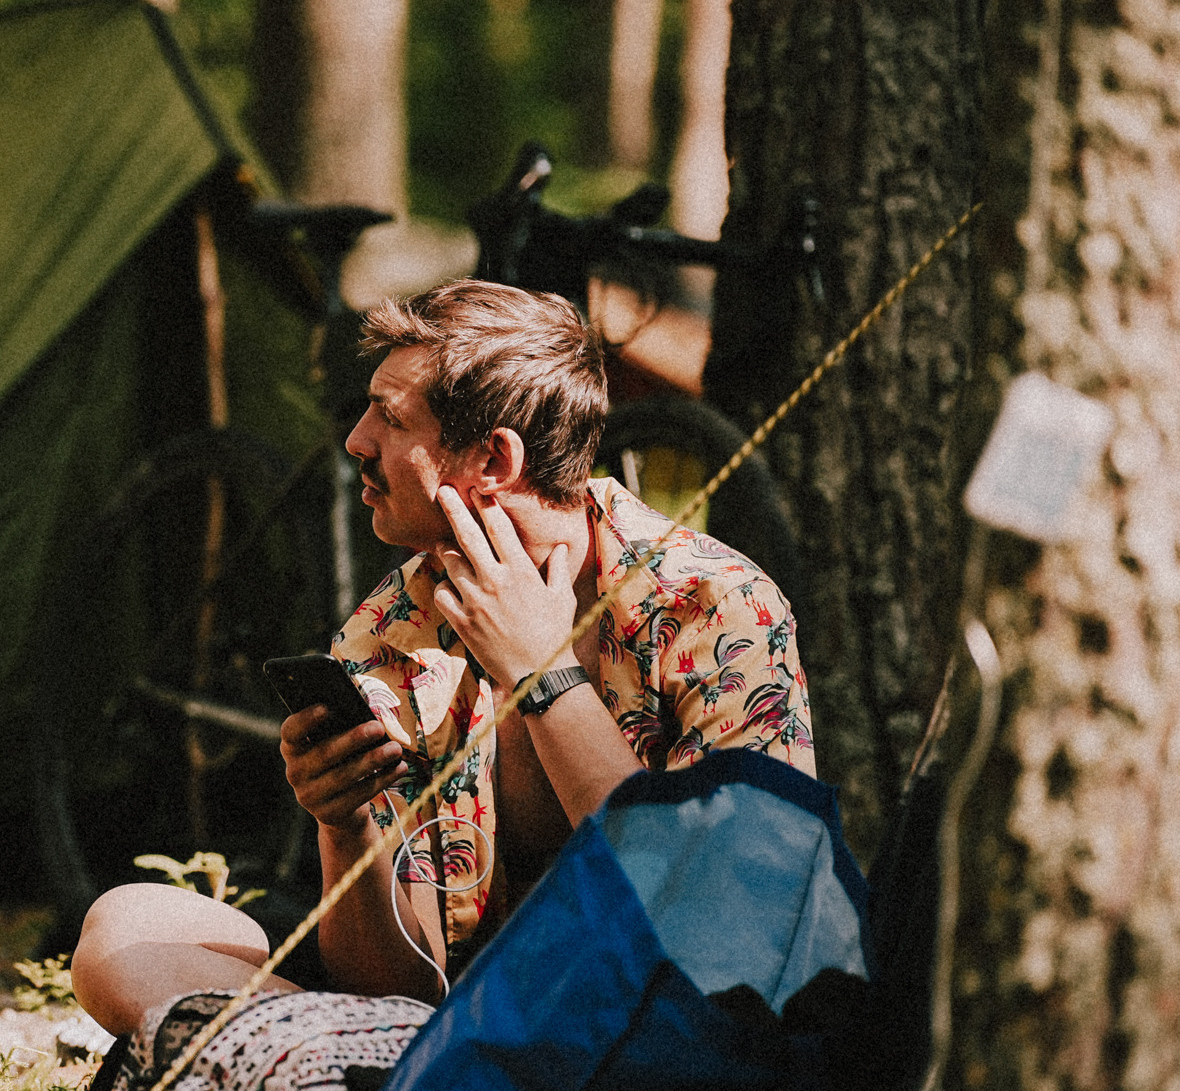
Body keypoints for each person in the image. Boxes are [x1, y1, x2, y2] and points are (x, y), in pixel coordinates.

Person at [72, 280, 815, 1032]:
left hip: (662, 1043)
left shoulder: (715, 607)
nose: (357, 441)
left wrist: (543, 675)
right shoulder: (388, 631)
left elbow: (721, 925)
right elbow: (391, 995)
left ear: (493, 458)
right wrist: (346, 827)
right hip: (455, 1043)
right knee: (127, 930)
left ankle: (315, 1085)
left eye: (389, 419)